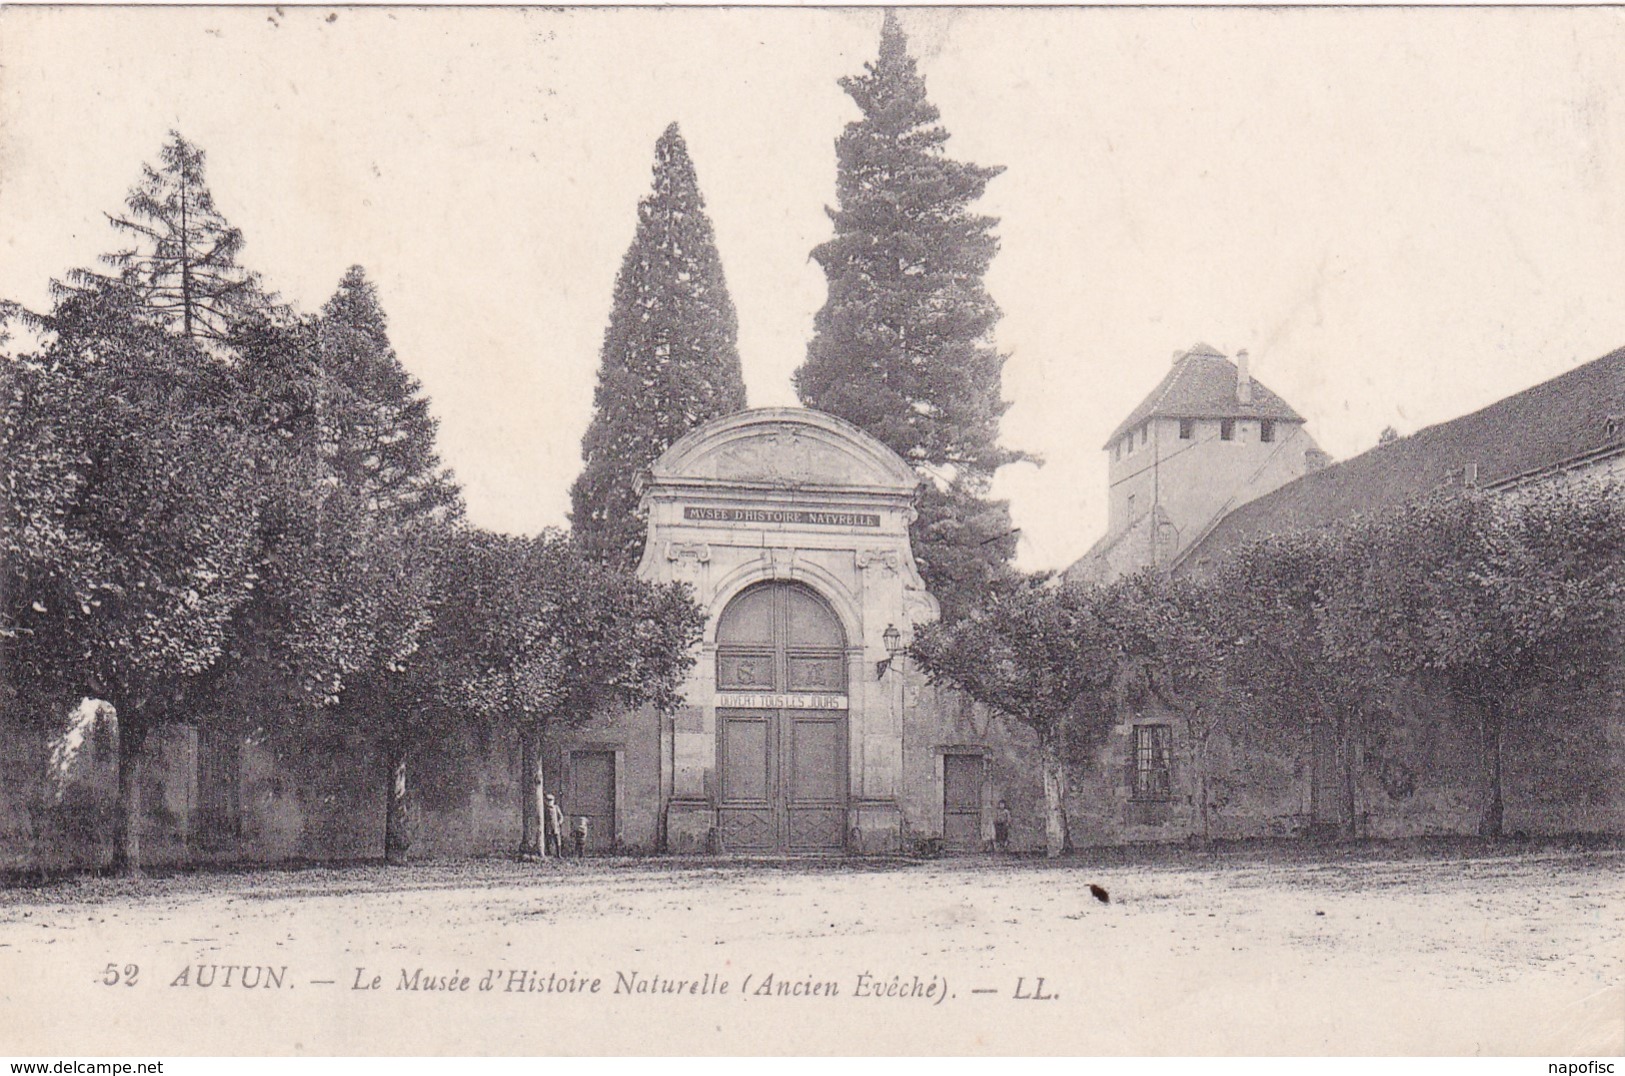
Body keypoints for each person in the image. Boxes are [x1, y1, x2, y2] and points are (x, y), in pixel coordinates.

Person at [544, 793, 564, 857]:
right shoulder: (544, 809)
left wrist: (559, 822)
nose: (550, 802)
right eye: (548, 800)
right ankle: (549, 853)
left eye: (551, 800)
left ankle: (559, 854)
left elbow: (561, 817)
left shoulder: (556, 808)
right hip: (548, 827)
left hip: (555, 827)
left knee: (557, 840)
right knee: (548, 840)